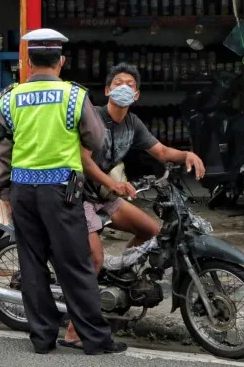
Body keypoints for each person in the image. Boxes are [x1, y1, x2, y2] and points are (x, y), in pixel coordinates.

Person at [0, 28, 126, 355]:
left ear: (27, 60)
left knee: (33, 263)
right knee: (75, 264)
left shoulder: (9, 98)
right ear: (61, 60)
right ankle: (95, 339)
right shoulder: (74, 96)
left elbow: (2, 151)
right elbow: (97, 140)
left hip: (23, 191)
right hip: (61, 191)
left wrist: (3, 192)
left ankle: (42, 339)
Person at [60, 62, 206, 348]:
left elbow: (161, 151)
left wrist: (187, 154)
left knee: (152, 231)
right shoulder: (95, 118)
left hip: (106, 197)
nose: (123, 88)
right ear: (106, 90)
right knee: (95, 259)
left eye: (129, 84)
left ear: (137, 95)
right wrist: (113, 184)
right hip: (79, 196)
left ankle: (119, 278)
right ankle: (75, 329)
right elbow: (83, 160)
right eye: (118, 83)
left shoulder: (133, 124)